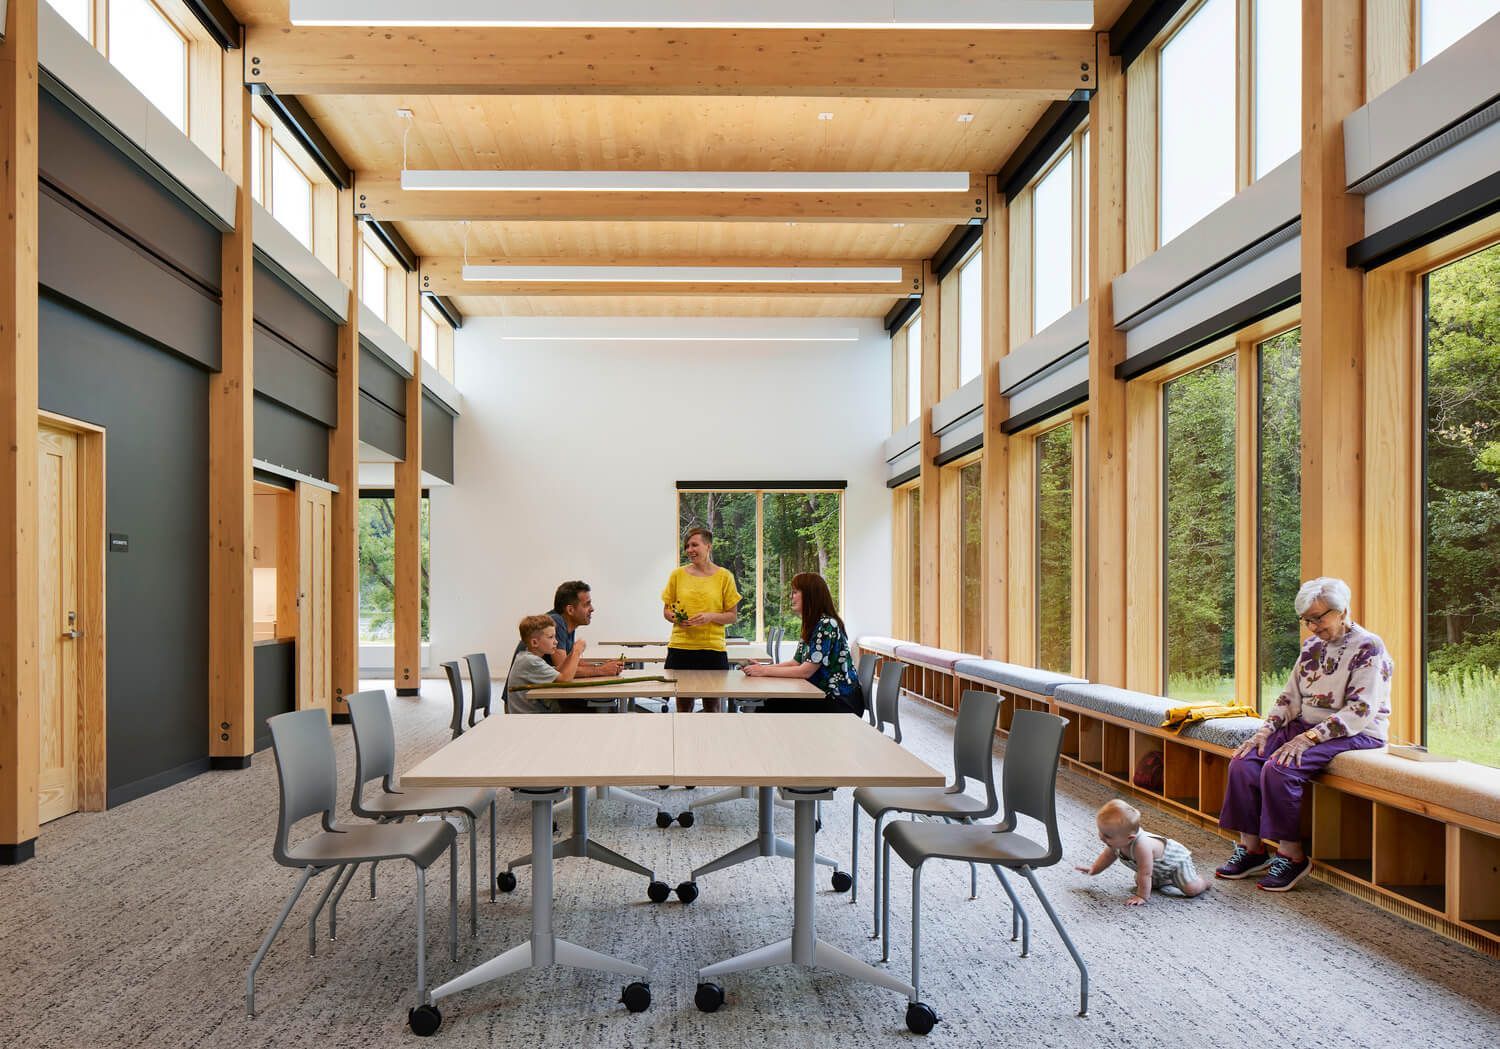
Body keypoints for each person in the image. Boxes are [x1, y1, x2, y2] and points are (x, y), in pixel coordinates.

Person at [1216, 576, 1392, 892]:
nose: (1312, 627)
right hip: (1308, 727)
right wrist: (1265, 732)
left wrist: (1308, 738)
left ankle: (1292, 854)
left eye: (1318, 618)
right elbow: (1289, 697)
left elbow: (1361, 710)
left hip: (1356, 731)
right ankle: (1253, 850)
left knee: (1280, 767)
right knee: (1244, 761)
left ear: (1342, 611)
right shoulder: (1312, 647)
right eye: (1306, 620)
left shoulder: (1369, 647)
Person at [741, 572, 863, 715]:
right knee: (772, 704)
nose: (791, 597)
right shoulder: (811, 624)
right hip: (822, 694)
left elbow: (805, 671)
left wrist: (763, 671)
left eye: (795, 592)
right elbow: (795, 663)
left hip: (839, 700)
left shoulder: (826, 624)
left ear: (810, 595)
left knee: (772, 706)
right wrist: (761, 668)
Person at [661, 527, 742, 713]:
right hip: (681, 648)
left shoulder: (724, 577)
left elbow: (732, 615)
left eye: (694, 545)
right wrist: (675, 618)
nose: (690, 549)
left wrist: (710, 616)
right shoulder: (677, 575)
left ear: (708, 546)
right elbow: (666, 610)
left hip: (712, 650)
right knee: (683, 705)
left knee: (712, 707)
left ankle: (710, 741)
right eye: (687, 546)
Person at [1075, 799, 1210, 905]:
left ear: (1130, 838)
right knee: (1142, 881)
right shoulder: (1117, 842)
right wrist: (1094, 869)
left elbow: (1145, 873)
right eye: (1101, 831)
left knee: (1191, 889)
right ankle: (1167, 879)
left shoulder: (1141, 846)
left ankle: (1202, 881)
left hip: (1176, 862)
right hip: (1157, 869)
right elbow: (1107, 856)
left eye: (1107, 836)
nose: (1101, 837)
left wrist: (1141, 896)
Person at [540, 580, 625, 678]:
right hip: (527, 692)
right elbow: (564, 671)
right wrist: (601, 670)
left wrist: (603, 666)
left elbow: (571, 661)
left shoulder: (567, 623)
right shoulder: (555, 622)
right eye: (587, 604)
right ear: (570, 610)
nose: (592, 609)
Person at [505, 614, 586, 714]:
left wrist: (572, 652)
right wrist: (577, 651)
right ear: (535, 643)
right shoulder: (530, 661)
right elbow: (565, 679)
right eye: (550, 637)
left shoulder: (528, 657)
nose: (556, 642)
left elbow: (558, 671)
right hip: (530, 719)